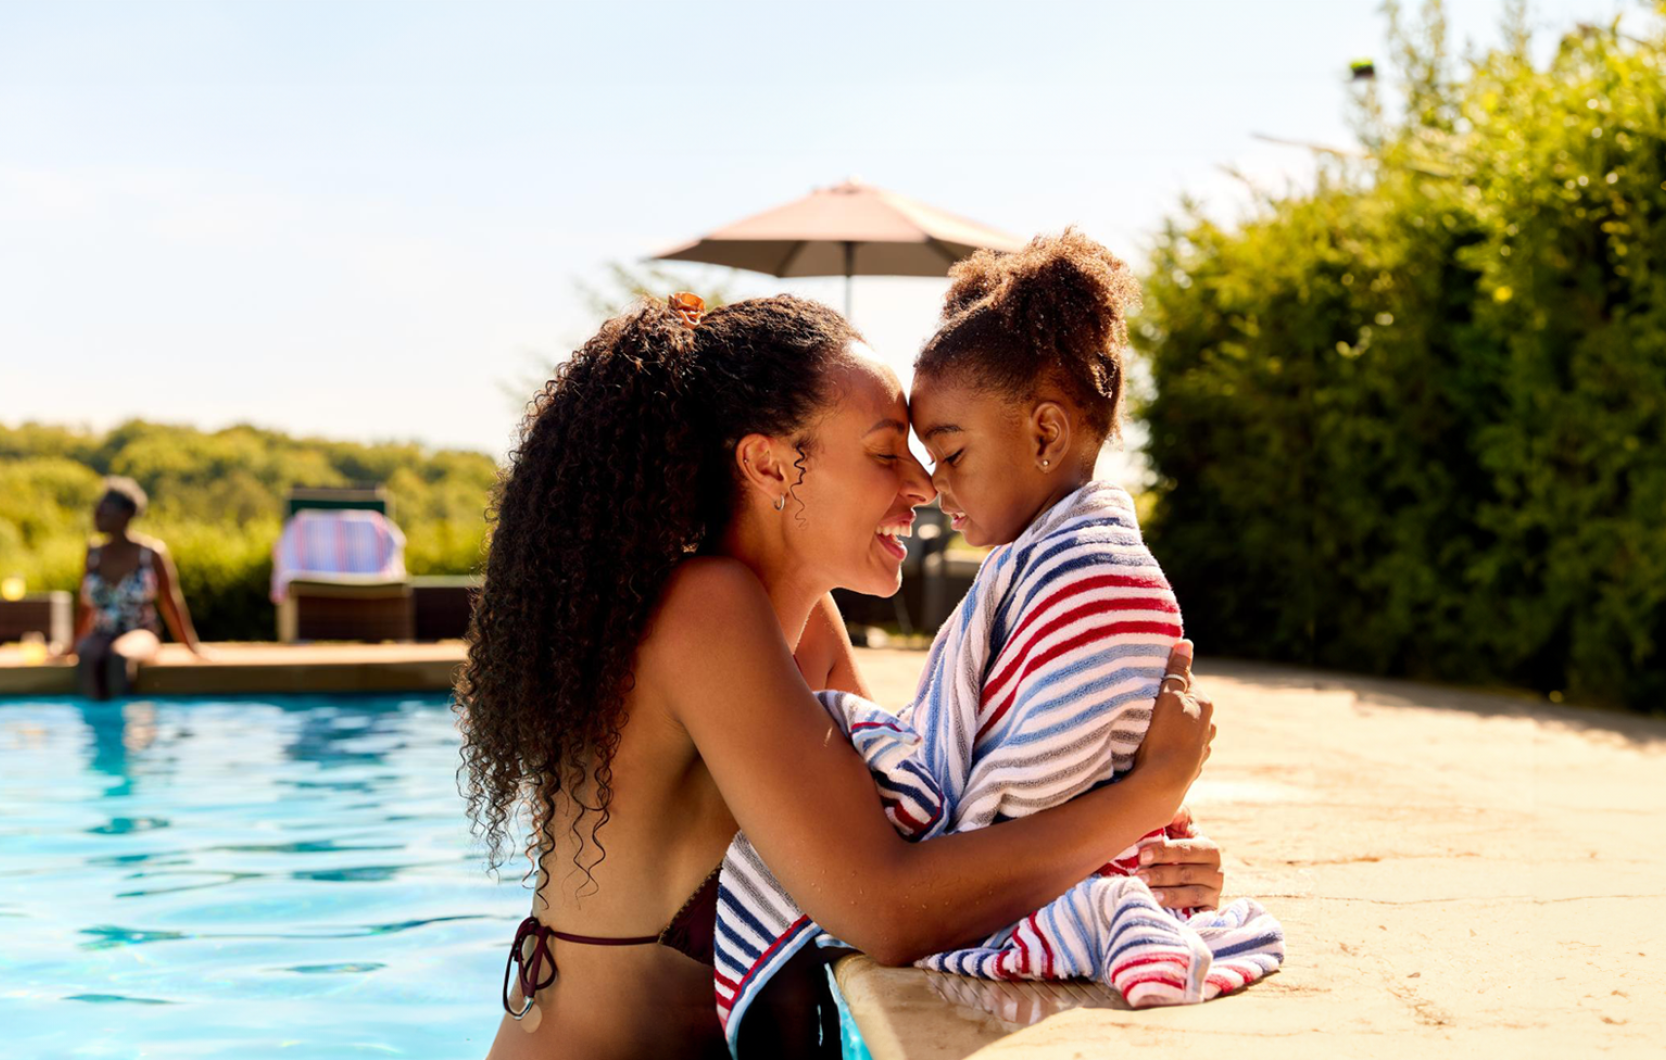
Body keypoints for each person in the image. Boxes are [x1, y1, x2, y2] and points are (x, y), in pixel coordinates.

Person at [461, 292, 1221, 1060]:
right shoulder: (703, 611)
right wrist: (1144, 793)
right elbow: (889, 907)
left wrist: (1132, 861)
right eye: (886, 453)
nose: (924, 488)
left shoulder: (800, 624)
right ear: (769, 463)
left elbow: (932, 839)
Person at [66, 476, 205, 699]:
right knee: (88, 654)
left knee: (118, 656)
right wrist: (71, 646)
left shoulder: (151, 554)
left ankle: (124, 721)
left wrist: (192, 647)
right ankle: (95, 723)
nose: (97, 514)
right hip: (103, 633)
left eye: (104, 509)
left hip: (141, 632)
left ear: (125, 514)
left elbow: (171, 603)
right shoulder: (93, 554)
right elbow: (85, 607)